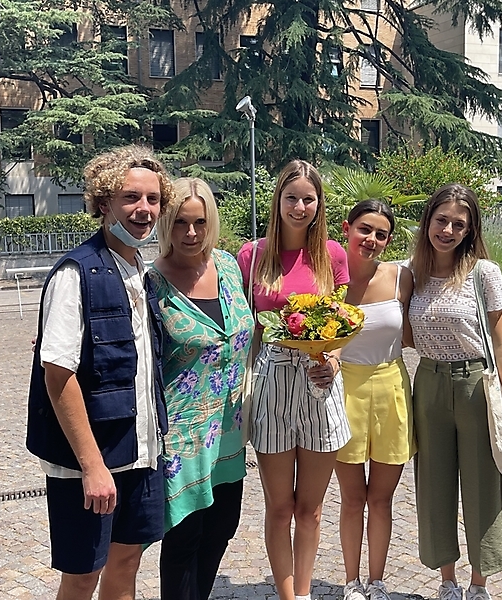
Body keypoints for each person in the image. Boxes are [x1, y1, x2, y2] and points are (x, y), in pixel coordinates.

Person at [26, 145, 173, 600]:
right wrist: (92, 467)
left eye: (153, 199)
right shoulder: (76, 273)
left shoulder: (140, 271)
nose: (144, 209)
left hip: (141, 451)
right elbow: (58, 375)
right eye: (131, 197)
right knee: (83, 575)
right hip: (91, 461)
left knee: (127, 562)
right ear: (104, 202)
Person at [407, 183, 502, 600]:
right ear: (428, 221)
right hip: (428, 383)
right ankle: (447, 580)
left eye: (459, 224)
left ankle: (479, 583)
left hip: (476, 384)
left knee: (482, 485)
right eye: (441, 220)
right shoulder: (411, 273)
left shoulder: (484, 273)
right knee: (433, 484)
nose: (448, 231)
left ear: (470, 230)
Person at [237, 159, 352, 600]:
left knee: (311, 509)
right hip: (273, 383)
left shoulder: (332, 254)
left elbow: (344, 320)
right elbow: (246, 328)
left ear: (319, 203)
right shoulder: (253, 255)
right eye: (291, 198)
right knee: (280, 507)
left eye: (308, 199)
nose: (300, 207)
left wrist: (334, 361)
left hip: (320, 384)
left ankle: (302, 593)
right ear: (277, 200)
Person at [149, 177, 254, 600]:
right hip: (182, 437)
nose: (190, 233)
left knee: (222, 528)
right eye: (180, 222)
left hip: (229, 430)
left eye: (199, 222)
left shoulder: (227, 266)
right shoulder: (152, 282)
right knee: (183, 538)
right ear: (165, 224)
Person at [335, 200, 416, 600]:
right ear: (347, 228)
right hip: (344, 389)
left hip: (391, 389)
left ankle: (377, 581)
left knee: (381, 499)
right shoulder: (329, 278)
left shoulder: (402, 277)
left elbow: (415, 333)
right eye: (364, 229)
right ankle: (352, 582)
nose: (371, 239)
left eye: (380, 234)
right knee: (353, 499)